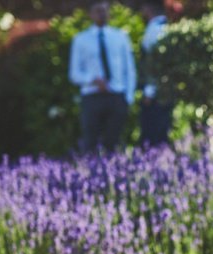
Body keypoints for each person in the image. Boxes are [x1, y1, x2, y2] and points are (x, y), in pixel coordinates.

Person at [68, 1, 137, 152]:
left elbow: (129, 69)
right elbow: (74, 73)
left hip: (116, 96)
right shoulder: (81, 40)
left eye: (105, 10)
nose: (102, 14)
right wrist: (92, 80)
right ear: (91, 14)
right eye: (98, 11)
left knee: (114, 142)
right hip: (92, 97)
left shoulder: (120, 37)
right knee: (90, 142)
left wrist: (128, 98)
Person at [138, 0, 173, 146]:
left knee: (153, 135)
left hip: (156, 93)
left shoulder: (155, 30)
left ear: (148, 8)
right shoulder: (167, 26)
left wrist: (149, 91)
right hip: (165, 90)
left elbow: (155, 63)